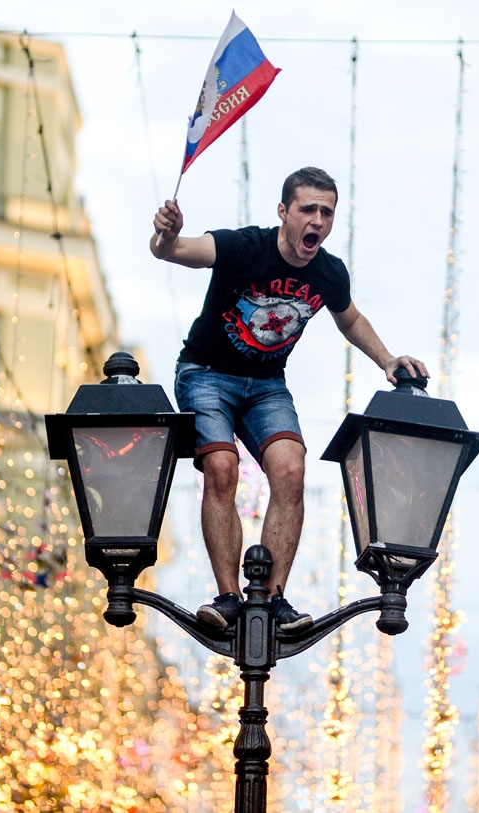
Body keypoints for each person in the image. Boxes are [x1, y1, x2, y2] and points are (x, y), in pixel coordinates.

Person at [150, 166, 428, 632]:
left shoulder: (327, 272)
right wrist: (166, 236)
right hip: (206, 374)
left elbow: (350, 319)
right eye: (307, 209)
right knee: (222, 468)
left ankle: (274, 600)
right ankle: (227, 599)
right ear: (284, 212)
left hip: (265, 386)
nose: (317, 220)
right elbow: (176, 252)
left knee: (291, 469)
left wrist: (386, 360)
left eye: (327, 212)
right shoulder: (244, 247)